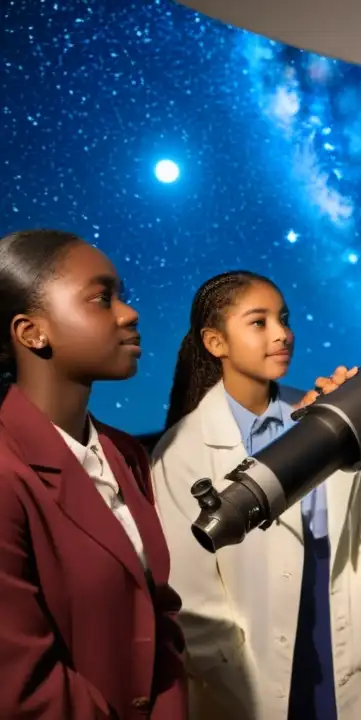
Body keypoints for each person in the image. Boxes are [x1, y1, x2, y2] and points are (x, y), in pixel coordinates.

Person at [151, 271, 361, 720]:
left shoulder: (326, 414)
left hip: (339, 644)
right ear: (215, 342)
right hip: (244, 678)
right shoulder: (182, 451)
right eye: (259, 322)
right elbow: (187, 585)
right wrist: (229, 669)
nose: (282, 333)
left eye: (283, 318)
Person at [0, 229, 188, 718]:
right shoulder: (5, 472)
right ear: (31, 333)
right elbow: (21, 684)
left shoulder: (125, 453)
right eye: (102, 298)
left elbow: (158, 615)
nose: (129, 313)